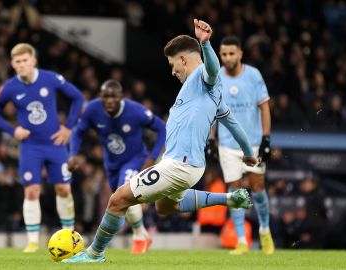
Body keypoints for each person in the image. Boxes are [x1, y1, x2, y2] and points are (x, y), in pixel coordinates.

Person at [62, 19, 258, 263]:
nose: (172, 71)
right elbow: (234, 124)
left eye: (173, 64)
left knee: (117, 199)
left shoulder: (202, 78)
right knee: (165, 207)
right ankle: (229, 199)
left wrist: (205, 44)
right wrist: (249, 152)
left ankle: (94, 254)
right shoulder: (207, 95)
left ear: (184, 59)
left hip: (179, 165)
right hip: (190, 166)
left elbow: (213, 71)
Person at [0, 43, 84, 253]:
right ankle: (32, 241)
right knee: (32, 191)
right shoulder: (10, 87)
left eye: (25, 60)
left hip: (55, 143)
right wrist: (13, 131)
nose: (21, 64)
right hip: (30, 146)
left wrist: (68, 127)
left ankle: (69, 236)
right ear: (12, 64)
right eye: (17, 61)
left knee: (63, 188)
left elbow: (78, 97)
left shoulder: (50, 78)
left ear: (33, 61)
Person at [68, 79, 166, 254]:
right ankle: (142, 233)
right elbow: (78, 132)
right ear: (100, 97)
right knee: (121, 201)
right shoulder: (92, 109)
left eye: (114, 96)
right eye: (106, 96)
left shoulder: (136, 111)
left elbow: (162, 128)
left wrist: (152, 158)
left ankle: (137, 238)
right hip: (112, 163)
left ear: (121, 97)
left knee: (125, 193)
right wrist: (73, 154)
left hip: (135, 159)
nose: (110, 100)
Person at [206, 36, 274, 255]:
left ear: (240, 54)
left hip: (253, 143)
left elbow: (264, 107)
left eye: (231, 53)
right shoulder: (216, 78)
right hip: (227, 145)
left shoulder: (253, 75)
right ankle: (241, 241)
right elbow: (213, 112)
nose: (227, 58)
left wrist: (266, 139)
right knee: (235, 192)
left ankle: (264, 230)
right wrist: (211, 139)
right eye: (224, 54)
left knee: (257, 189)